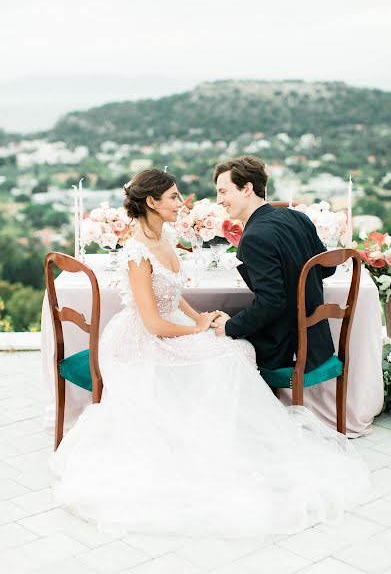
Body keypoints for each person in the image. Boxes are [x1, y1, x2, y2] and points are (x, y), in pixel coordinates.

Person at [49, 168, 369, 537]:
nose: (184, 202)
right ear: (152, 202)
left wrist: (200, 320)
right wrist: (200, 327)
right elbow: (153, 323)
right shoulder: (138, 253)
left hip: (174, 328)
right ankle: (207, 444)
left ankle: (224, 442)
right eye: (173, 197)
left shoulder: (169, 234)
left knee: (233, 350)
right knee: (230, 353)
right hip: (139, 342)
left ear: (247, 188)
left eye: (221, 191)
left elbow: (175, 294)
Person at [212, 156, 336, 378]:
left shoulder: (254, 237)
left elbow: (272, 302)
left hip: (284, 348)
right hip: (317, 343)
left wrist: (229, 327)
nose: (218, 200)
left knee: (211, 344)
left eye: (223, 191)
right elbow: (328, 268)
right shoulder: (297, 217)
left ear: (246, 188)